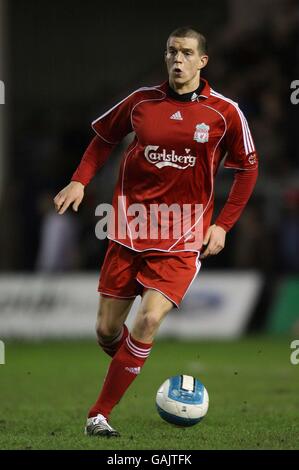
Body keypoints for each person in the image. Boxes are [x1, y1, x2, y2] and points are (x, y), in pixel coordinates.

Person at [53, 26, 258, 437]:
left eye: (185, 53)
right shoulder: (140, 102)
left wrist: (222, 225)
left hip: (182, 238)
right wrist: (79, 180)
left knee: (146, 321)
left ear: (203, 61)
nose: (176, 60)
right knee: (106, 332)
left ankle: (99, 414)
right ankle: (132, 361)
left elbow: (248, 168)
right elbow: (102, 139)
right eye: (170, 52)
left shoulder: (225, 112)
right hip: (129, 230)